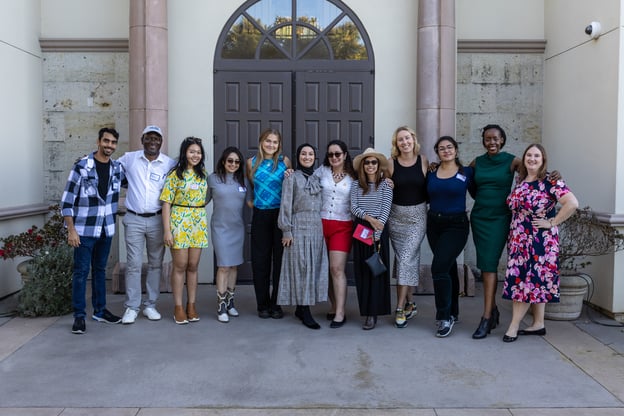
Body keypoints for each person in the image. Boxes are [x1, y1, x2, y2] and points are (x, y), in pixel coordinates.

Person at [502, 144, 578, 342]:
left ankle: (513, 326)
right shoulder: (521, 180)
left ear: (543, 159)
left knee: (525, 284)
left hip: (539, 241)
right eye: (529, 155)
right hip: (520, 240)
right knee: (534, 282)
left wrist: (552, 222)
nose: (532, 159)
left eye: (537, 156)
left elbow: (572, 203)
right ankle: (538, 324)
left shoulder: (550, 181)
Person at [61, 127, 125, 334]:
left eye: (113, 142)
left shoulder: (117, 168)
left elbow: (136, 184)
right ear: (99, 141)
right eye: (106, 141)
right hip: (84, 230)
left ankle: (100, 310)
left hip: (106, 229)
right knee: (81, 273)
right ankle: (79, 316)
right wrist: (71, 230)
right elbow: (67, 201)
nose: (109, 145)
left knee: (100, 270)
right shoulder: (82, 166)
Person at [117, 125, 176, 324]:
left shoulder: (169, 164)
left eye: (157, 139)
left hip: (158, 219)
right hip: (133, 218)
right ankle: (132, 307)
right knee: (133, 264)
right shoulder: (129, 158)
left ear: (161, 142)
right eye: (149, 138)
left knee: (155, 264)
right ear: (142, 140)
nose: (153, 142)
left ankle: (150, 305)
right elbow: (109, 168)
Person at [277, 144, 329, 330]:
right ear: (298, 156)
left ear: (315, 157)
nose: (307, 157)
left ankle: (301, 307)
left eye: (310, 154)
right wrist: (286, 230)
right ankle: (305, 309)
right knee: (302, 267)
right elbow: (285, 205)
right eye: (303, 154)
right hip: (298, 225)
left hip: (316, 227)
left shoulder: (318, 177)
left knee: (312, 267)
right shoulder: (292, 178)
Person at [426, 136, 473, 338]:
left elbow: (482, 193)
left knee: (438, 267)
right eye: (442, 148)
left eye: (449, 147)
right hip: (434, 224)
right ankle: (453, 311)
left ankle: (444, 317)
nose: (446, 151)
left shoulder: (467, 173)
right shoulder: (431, 172)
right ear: (437, 152)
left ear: (456, 150)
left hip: (457, 225)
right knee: (448, 267)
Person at [160, 136, 208, 325]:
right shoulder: (175, 174)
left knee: (193, 266)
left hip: (198, 222)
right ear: (184, 153)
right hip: (179, 221)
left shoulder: (202, 174)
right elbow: (165, 203)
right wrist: (167, 230)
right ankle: (178, 306)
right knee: (180, 265)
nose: (195, 155)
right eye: (191, 151)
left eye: (198, 152)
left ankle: (192, 305)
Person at [246, 128, 292, 319]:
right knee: (260, 260)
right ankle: (262, 304)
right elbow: (250, 187)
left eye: (275, 142)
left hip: (280, 216)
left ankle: (276, 303)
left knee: (280, 261)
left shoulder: (285, 161)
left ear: (279, 145)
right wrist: (254, 204)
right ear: (261, 142)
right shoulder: (251, 163)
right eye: (268, 141)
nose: (271, 145)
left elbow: (291, 188)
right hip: (260, 215)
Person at [386, 126, 428, 328]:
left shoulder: (424, 161)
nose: (405, 142)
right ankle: (411, 303)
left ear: (414, 139)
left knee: (405, 260)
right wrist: (386, 182)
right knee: (405, 260)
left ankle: (400, 307)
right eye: (400, 140)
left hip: (418, 218)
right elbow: (380, 184)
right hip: (396, 218)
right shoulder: (390, 163)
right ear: (396, 144)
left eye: (407, 138)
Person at [315, 140, 356, 328]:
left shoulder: (354, 175)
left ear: (345, 155)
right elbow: (306, 184)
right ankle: (333, 306)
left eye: (337, 154)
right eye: (330, 154)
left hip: (343, 225)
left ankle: (340, 312)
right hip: (321, 223)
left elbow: (373, 180)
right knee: (326, 268)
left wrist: (387, 178)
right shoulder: (322, 171)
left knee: (337, 268)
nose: (334, 158)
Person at [350, 148, 393, 330]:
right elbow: (354, 207)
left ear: (378, 165)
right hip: (361, 229)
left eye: (373, 162)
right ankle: (365, 311)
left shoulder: (386, 185)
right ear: (362, 165)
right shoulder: (355, 185)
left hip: (379, 232)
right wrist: (369, 219)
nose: (370, 165)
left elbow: (386, 209)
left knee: (376, 271)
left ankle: (374, 313)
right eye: (366, 162)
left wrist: (377, 232)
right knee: (363, 272)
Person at [206, 146, 249, 323]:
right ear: (223, 161)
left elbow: (252, 203)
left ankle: (230, 302)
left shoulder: (243, 181)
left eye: (237, 162)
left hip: (237, 228)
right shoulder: (213, 179)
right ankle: (221, 305)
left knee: (233, 266)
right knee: (223, 266)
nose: (233, 164)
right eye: (230, 161)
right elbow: (202, 201)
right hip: (220, 228)